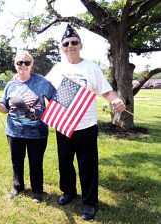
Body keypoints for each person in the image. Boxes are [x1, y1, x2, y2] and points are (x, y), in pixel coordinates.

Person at [45, 24, 126, 220]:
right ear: (62, 47)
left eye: (74, 42)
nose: (70, 45)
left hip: (86, 126)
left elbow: (106, 91)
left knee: (87, 165)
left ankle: (90, 202)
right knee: (65, 163)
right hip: (63, 125)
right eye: (66, 43)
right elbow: (44, 88)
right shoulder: (57, 69)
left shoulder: (91, 68)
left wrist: (116, 99)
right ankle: (69, 192)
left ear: (80, 45)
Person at [0, 51, 55, 203]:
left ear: (31, 65)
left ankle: (37, 191)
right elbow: (5, 108)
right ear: (15, 65)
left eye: (26, 62)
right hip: (14, 132)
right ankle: (18, 186)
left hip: (37, 133)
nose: (23, 65)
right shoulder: (11, 85)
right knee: (16, 161)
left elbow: (55, 100)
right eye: (20, 62)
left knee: (36, 163)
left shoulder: (41, 82)